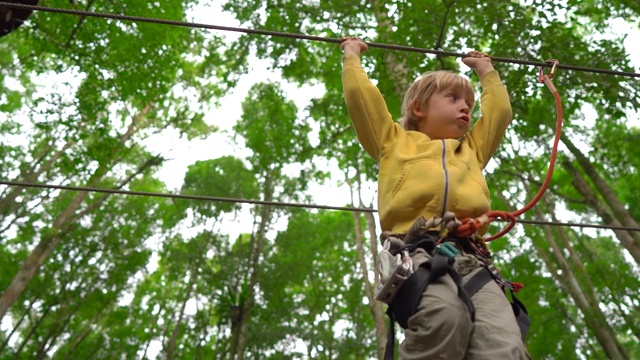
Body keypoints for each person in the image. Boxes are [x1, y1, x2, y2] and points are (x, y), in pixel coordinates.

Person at [340, 37, 527, 359]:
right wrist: (352, 56)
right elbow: (362, 99)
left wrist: (487, 71)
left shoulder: (472, 149)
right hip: (416, 249)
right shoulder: (393, 142)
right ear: (418, 108)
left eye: (468, 102)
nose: (465, 106)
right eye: (453, 98)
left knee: (504, 346)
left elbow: (500, 112)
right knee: (444, 316)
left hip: (472, 256)